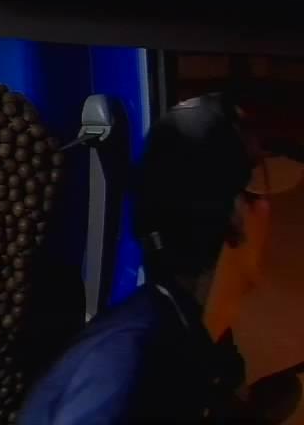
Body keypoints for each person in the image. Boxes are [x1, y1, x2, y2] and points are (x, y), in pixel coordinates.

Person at [18, 93, 274, 423]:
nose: (269, 208)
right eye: (258, 191)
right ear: (236, 214)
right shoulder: (132, 359)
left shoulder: (186, 344)